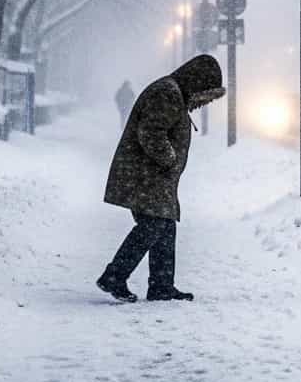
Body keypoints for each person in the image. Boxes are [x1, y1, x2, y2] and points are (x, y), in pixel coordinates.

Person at [96, 55, 224, 303]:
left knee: (164, 225)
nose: (203, 99)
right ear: (196, 81)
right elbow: (151, 132)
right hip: (146, 175)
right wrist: (170, 159)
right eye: (204, 91)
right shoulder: (168, 93)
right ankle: (114, 276)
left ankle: (161, 285)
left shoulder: (174, 92)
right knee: (153, 225)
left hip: (152, 176)